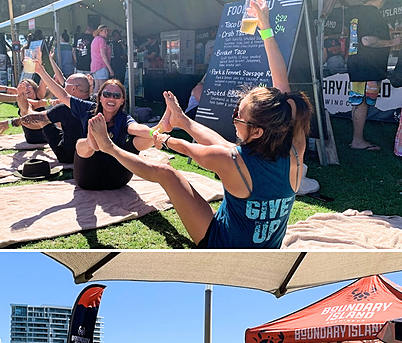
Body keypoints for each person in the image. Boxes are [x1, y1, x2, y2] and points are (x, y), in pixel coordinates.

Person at [86, 0, 312, 248]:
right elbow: (282, 90)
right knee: (228, 149)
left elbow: (185, 148)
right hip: (265, 246)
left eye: (238, 115)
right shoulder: (293, 147)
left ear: (257, 130)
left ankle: (109, 147)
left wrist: (163, 139)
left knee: (167, 173)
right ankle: (183, 119)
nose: (234, 115)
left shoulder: (230, 159)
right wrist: (265, 26)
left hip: (221, 245)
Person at [0, 64, 158, 189]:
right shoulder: (85, 106)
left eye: (116, 96)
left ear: (122, 100)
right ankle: (91, 141)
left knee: (138, 140)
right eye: (107, 94)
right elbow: (61, 95)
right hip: (88, 167)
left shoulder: (121, 117)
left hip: (112, 172)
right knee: (82, 143)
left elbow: (135, 128)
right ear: (100, 97)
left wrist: (155, 133)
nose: (111, 98)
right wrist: (40, 71)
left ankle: (94, 141)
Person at [345, 0, 400, 151]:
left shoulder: (358, 12)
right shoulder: (372, 13)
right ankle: (357, 141)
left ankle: (357, 139)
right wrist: (392, 42)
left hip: (358, 63)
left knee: (358, 102)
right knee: (362, 102)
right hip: (367, 65)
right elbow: (367, 41)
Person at [90, 25, 114, 90]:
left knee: (97, 87)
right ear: (100, 32)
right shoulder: (102, 40)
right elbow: (103, 55)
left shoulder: (95, 40)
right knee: (103, 88)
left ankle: (94, 100)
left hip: (94, 66)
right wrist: (110, 69)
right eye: (105, 31)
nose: (107, 33)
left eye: (107, 31)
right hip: (101, 66)